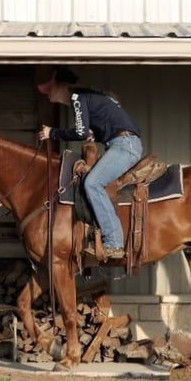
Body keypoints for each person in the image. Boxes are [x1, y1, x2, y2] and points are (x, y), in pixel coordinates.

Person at [37, 67, 143, 260]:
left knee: (92, 183)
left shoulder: (78, 98)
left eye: (51, 88)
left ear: (62, 87)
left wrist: (51, 133)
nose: (48, 93)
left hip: (123, 145)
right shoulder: (87, 98)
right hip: (123, 143)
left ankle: (114, 243)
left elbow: (80, 133)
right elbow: (90, 130)